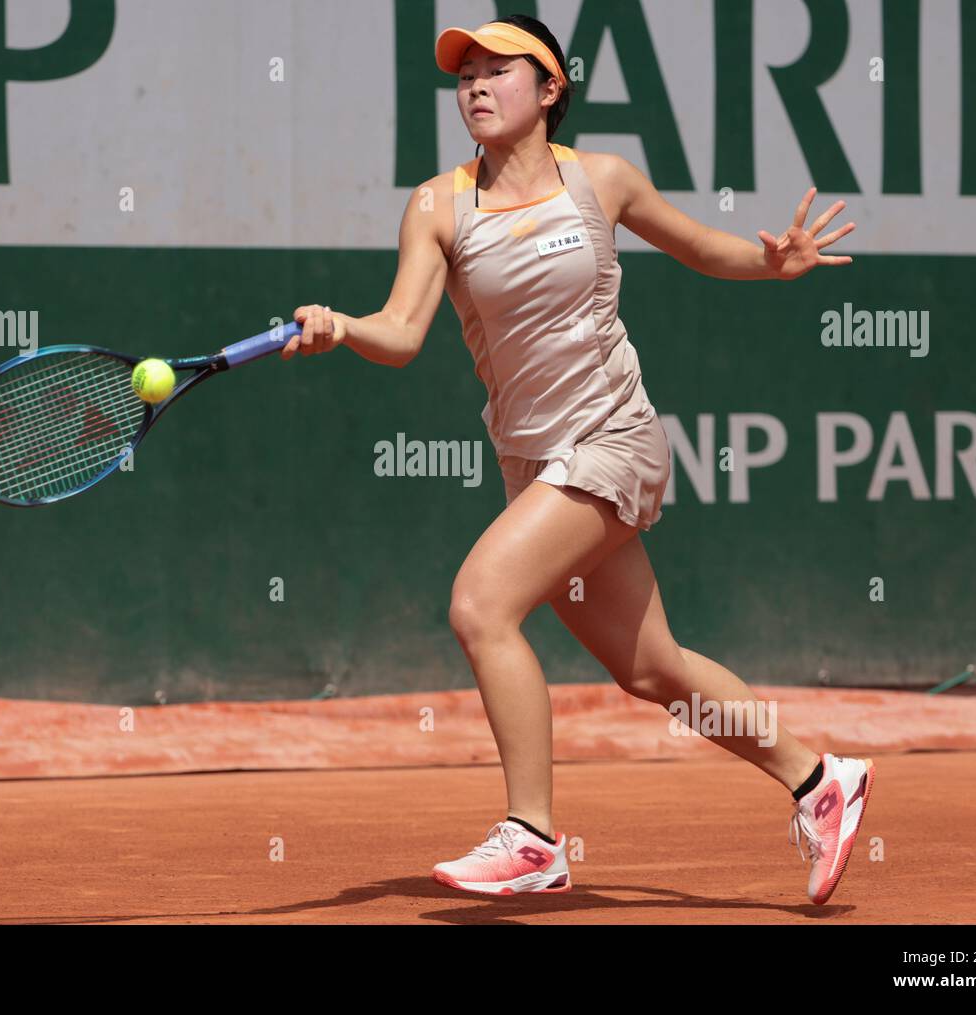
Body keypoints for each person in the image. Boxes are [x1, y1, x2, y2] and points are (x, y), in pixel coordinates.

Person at [287, 15, 874, 905]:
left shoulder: (600, 179)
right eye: (465, 75)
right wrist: (342, 326)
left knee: (481, 606)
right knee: (653, 668)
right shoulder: (436, 204)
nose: (476, 86)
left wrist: (773, 262)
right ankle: (819, 779)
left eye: (498, 70)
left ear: (551, 88)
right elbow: (401, 333)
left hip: (612, 439)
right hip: (533, 462)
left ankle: (531, 836)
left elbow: (699, 247)